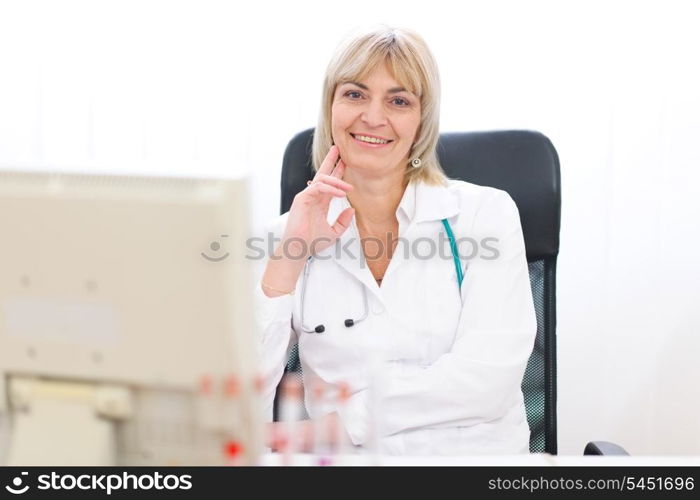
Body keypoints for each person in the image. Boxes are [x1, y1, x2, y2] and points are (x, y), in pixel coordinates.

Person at [255, 25, 537, 455]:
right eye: (354, 94)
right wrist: (287, 262)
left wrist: (324, 431)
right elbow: (240, 404)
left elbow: (486, 383)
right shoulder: (288, 235)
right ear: (330, 106)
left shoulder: (484, 215)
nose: (372, 116)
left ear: (422, 119)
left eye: (398, 100)